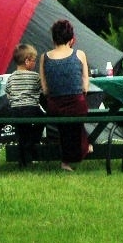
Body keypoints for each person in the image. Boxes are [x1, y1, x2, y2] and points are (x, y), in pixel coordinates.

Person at [39, 19, 89, 171]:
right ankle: (83, 149)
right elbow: (85, 86)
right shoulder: (79, 54)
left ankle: (67, 160)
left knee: (65, 129)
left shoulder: (44, 57)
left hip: (55, 106)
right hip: (77, 105)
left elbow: (45, 88)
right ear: (71, 38)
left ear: (53, 38)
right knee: (77, 122)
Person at [4, 43, 43, 167]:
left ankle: (22, 161)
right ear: (27, 61)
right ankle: (34, 142)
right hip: (31, 108)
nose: (35, 63)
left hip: (15, 110)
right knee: (43, 119)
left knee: (21, 133)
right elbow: (42, 89)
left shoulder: (11, 77)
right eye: (34, 60)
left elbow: (8, 93)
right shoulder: (35, 76)